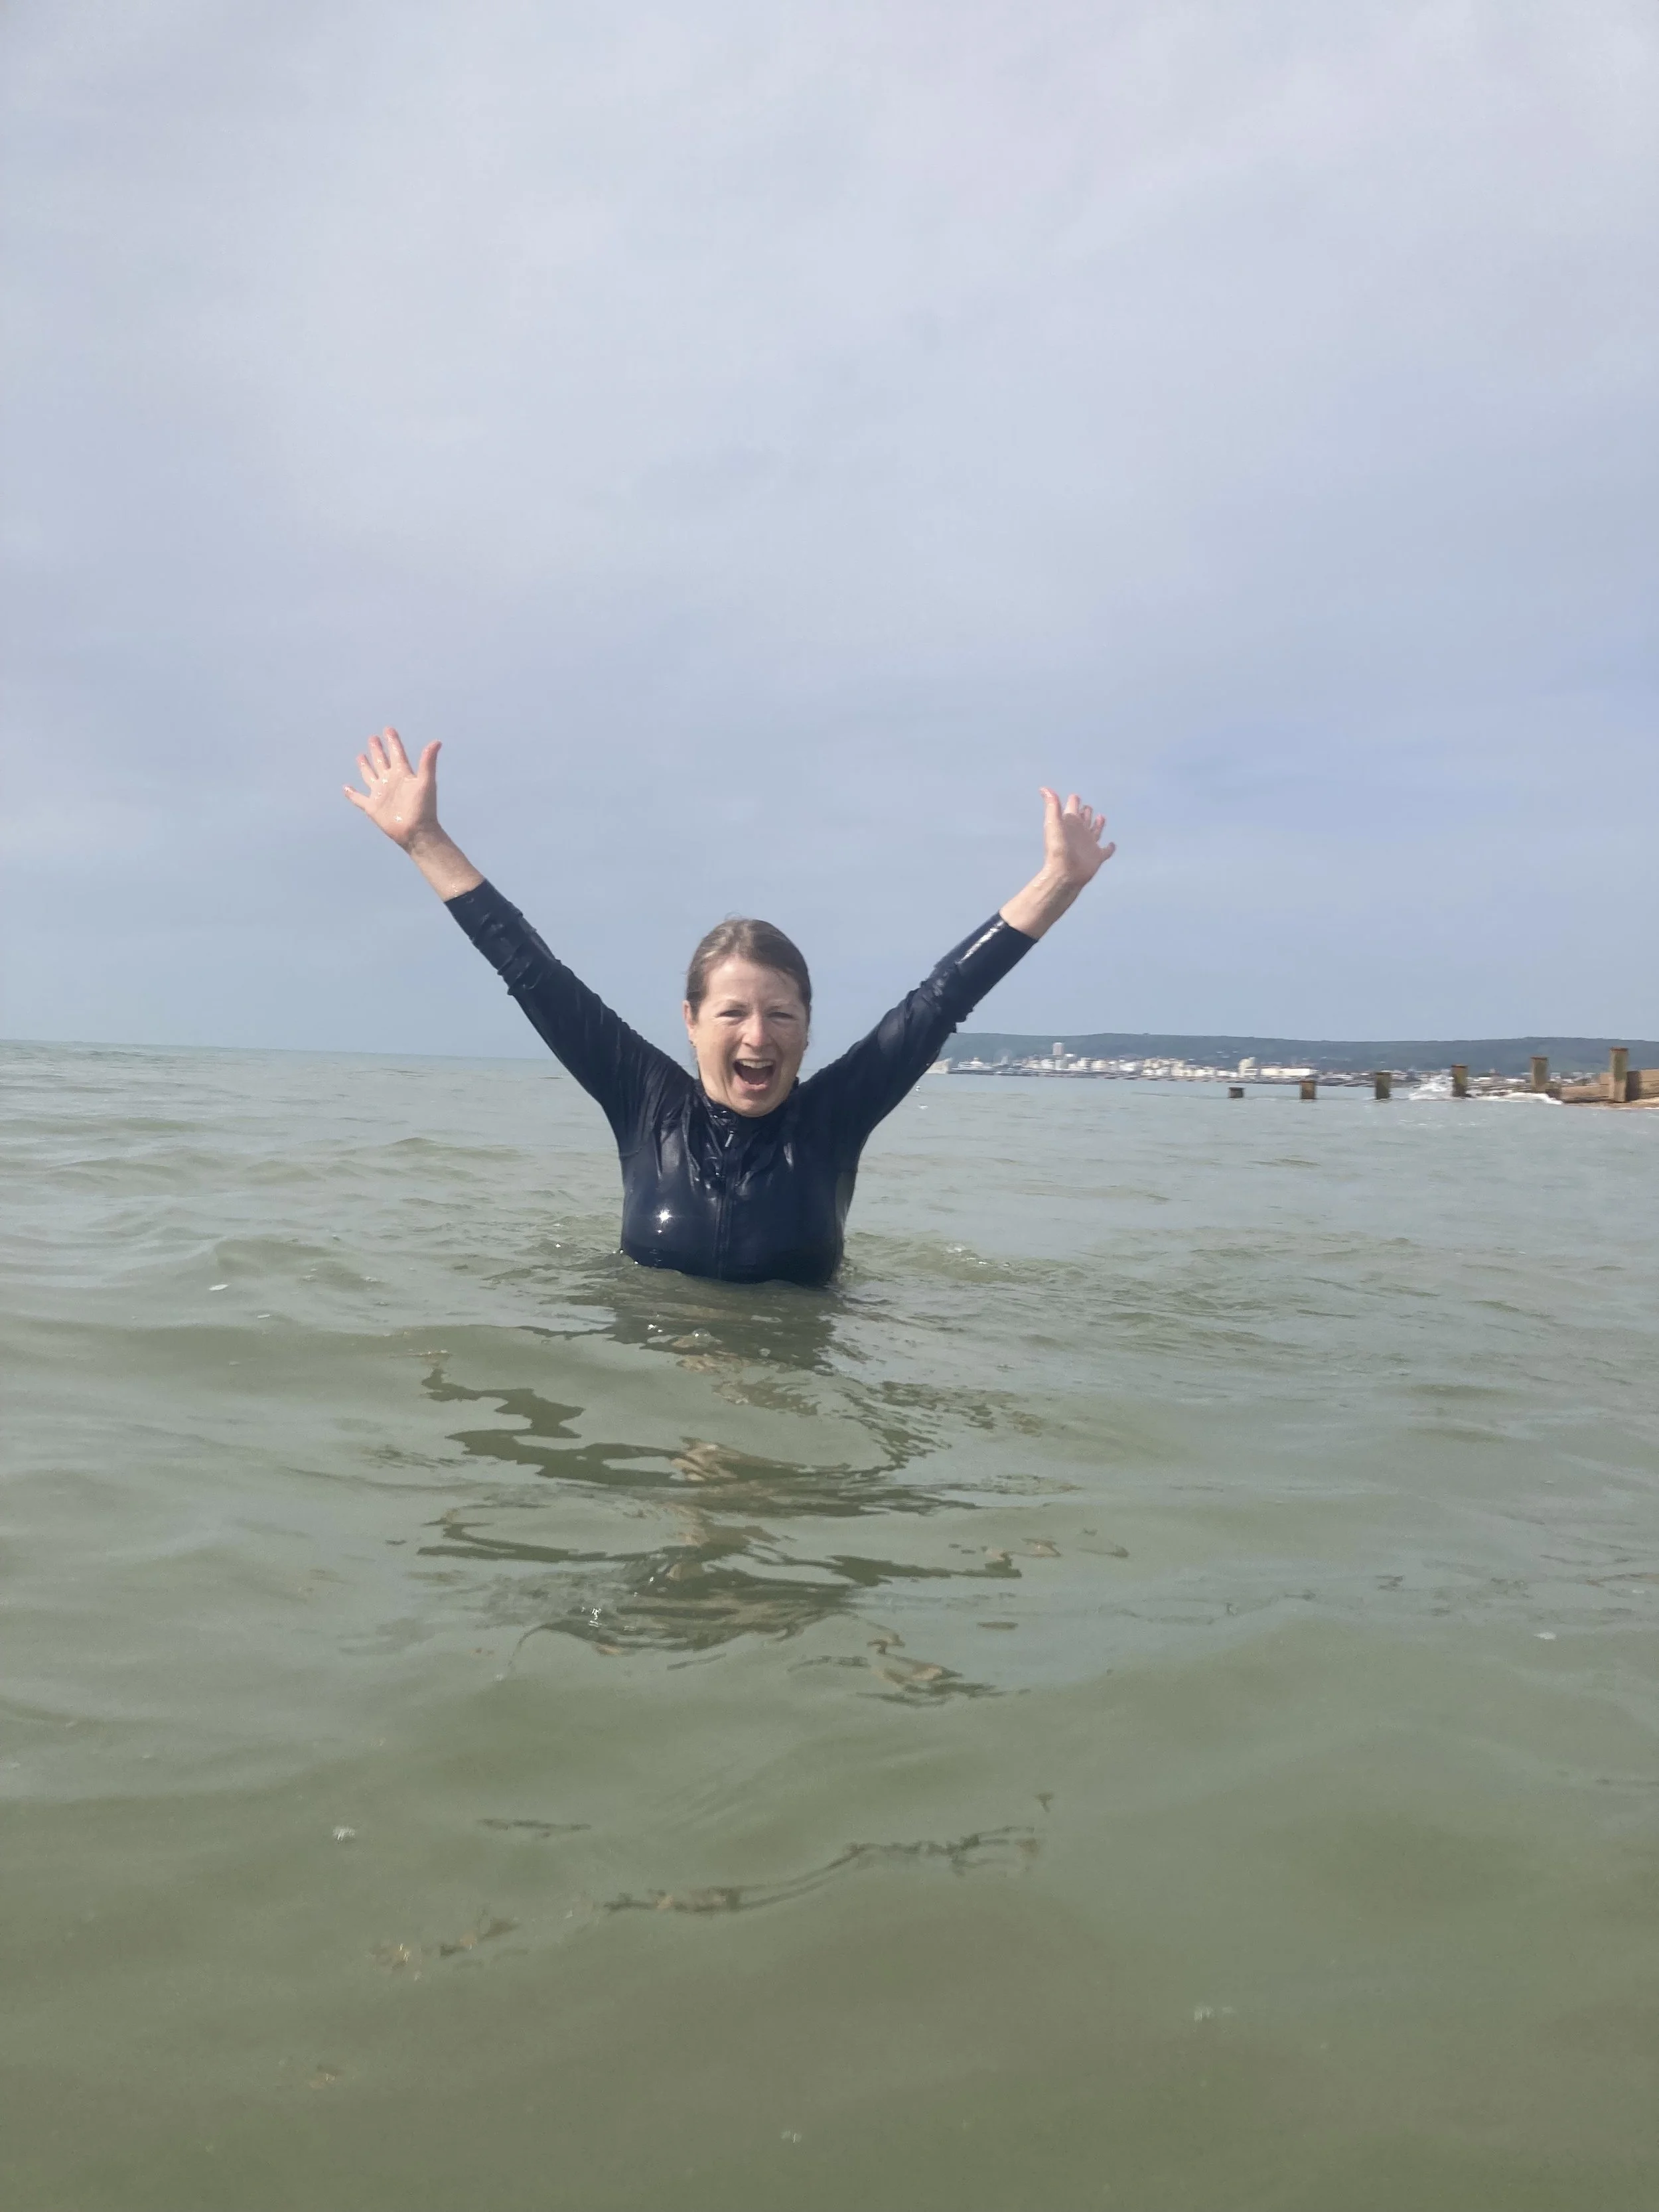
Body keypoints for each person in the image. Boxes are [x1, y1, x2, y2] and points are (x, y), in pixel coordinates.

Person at [344, 729, 1114, 1286]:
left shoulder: (834, 1118)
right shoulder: (644, 1103)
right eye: (733, 1013)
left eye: (780, 1014)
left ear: (808, 1030)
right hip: (655, 1383)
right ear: (690, 1021)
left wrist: (1059, 883)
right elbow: (533, 972)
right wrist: (424, 841)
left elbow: (944, 998)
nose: (757, 1035)